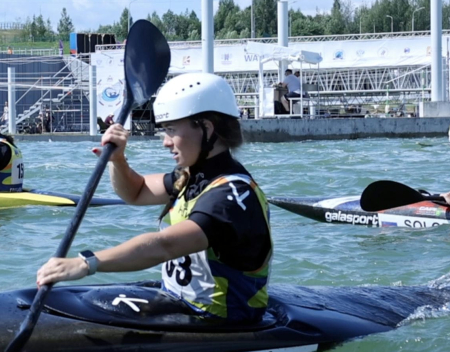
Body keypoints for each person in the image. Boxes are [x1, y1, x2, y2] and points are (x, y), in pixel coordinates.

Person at [35, 73, 273, 322]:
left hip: (222, 321)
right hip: (181, 302)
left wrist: (87, 264)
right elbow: (135, 192)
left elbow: (164, 246)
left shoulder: (231, 197)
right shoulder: (192, 178)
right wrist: (118, 160)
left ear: (206, 128)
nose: (166, 142)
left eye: (171, 130)